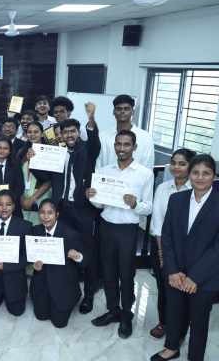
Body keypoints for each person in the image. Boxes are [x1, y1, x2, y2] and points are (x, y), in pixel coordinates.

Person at [29, 110, 101, 314]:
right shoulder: (57, 153)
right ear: (60, 134)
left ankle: (88, 296)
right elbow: (46, 176)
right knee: (64, 251)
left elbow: (94, 143)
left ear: (78, 133)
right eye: (65, 132)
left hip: (82, 210)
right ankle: (67, 289)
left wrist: (91, 120)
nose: (69, 135)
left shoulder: (87, 150)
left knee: (87, 252)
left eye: (73, 131)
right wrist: (34, 160)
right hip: (61, 209)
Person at [150, 155, 219, 361]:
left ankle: (195, 357)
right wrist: (172, 270)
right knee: (174, 312)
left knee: (199, 320)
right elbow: (167, 236)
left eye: (206, 173)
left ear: (214, 176)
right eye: (195, 172)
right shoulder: (177, 199)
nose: (200, 177)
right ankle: (171, 347)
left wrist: (195, 277)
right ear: (189, 174)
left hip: (206, 276)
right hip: (176, 272)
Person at [87, 130, 154, 339]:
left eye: (126, 144)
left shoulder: (145, 174)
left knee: (126, 274)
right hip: (106, 226)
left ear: (134, 147)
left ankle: (126, 315)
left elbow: (148, 208)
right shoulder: (105, 170)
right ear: (114, 146)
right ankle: (113, 310)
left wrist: (135, 204)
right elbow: (99, 205)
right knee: (107, 272)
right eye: (118, 144)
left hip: (128, 229)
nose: (122, 148)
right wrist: (92, 196)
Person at [148, 148, 195, 340]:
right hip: (162, 245)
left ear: (191, 166)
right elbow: (157, 222)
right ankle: (164, 322)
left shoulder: (196, 189)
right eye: (173, 163)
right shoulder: (163, 188)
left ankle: (180, 329)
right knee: (163, 288)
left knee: (183, 290)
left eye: (182, 164)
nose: (176, 167)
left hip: (187, 250)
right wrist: (161, 252)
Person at [30, 200, 85, 328]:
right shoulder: (35, 231)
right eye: (42, 212)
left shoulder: (71, 234)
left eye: (50, 213)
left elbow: (86, 260)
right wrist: (34, 264)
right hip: (42, 282)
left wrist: (78, 256)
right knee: (41, 316)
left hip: (63, 284)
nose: (46, 216)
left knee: (59, 323)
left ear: (57, 214)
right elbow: (30, 255)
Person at [97, 94, 155, 170]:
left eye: (126, 109)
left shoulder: (146, 138)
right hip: (106, 177)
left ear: (133, 112)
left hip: (136, 177)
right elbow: (98, 164)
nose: (122, 111)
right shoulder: (102, 136)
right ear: (114, 112)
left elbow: (148, 167)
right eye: (119, 109)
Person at [17, 121, 51, 225]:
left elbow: (49, 180)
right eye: (29, 132)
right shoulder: (21, 152)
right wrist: (22, 198)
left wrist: (32, 199)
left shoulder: (49, 152)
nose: (32, 134)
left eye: (36, 132)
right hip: (24, 195)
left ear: (42, 134)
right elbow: (17, 176)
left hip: (41, 196)